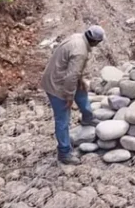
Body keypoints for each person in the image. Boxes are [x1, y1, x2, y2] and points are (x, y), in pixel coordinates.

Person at [41, 25, 105, 164]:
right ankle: (64, 153)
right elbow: (71, 76)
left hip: (61, 75)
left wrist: (80, 80)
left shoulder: (78, 37)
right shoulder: (80, 51)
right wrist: (69, 97)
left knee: (81, 90)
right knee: (63, 119)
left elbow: (73, 69)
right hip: (56, 84)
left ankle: (88, 117)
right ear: (95, 41)